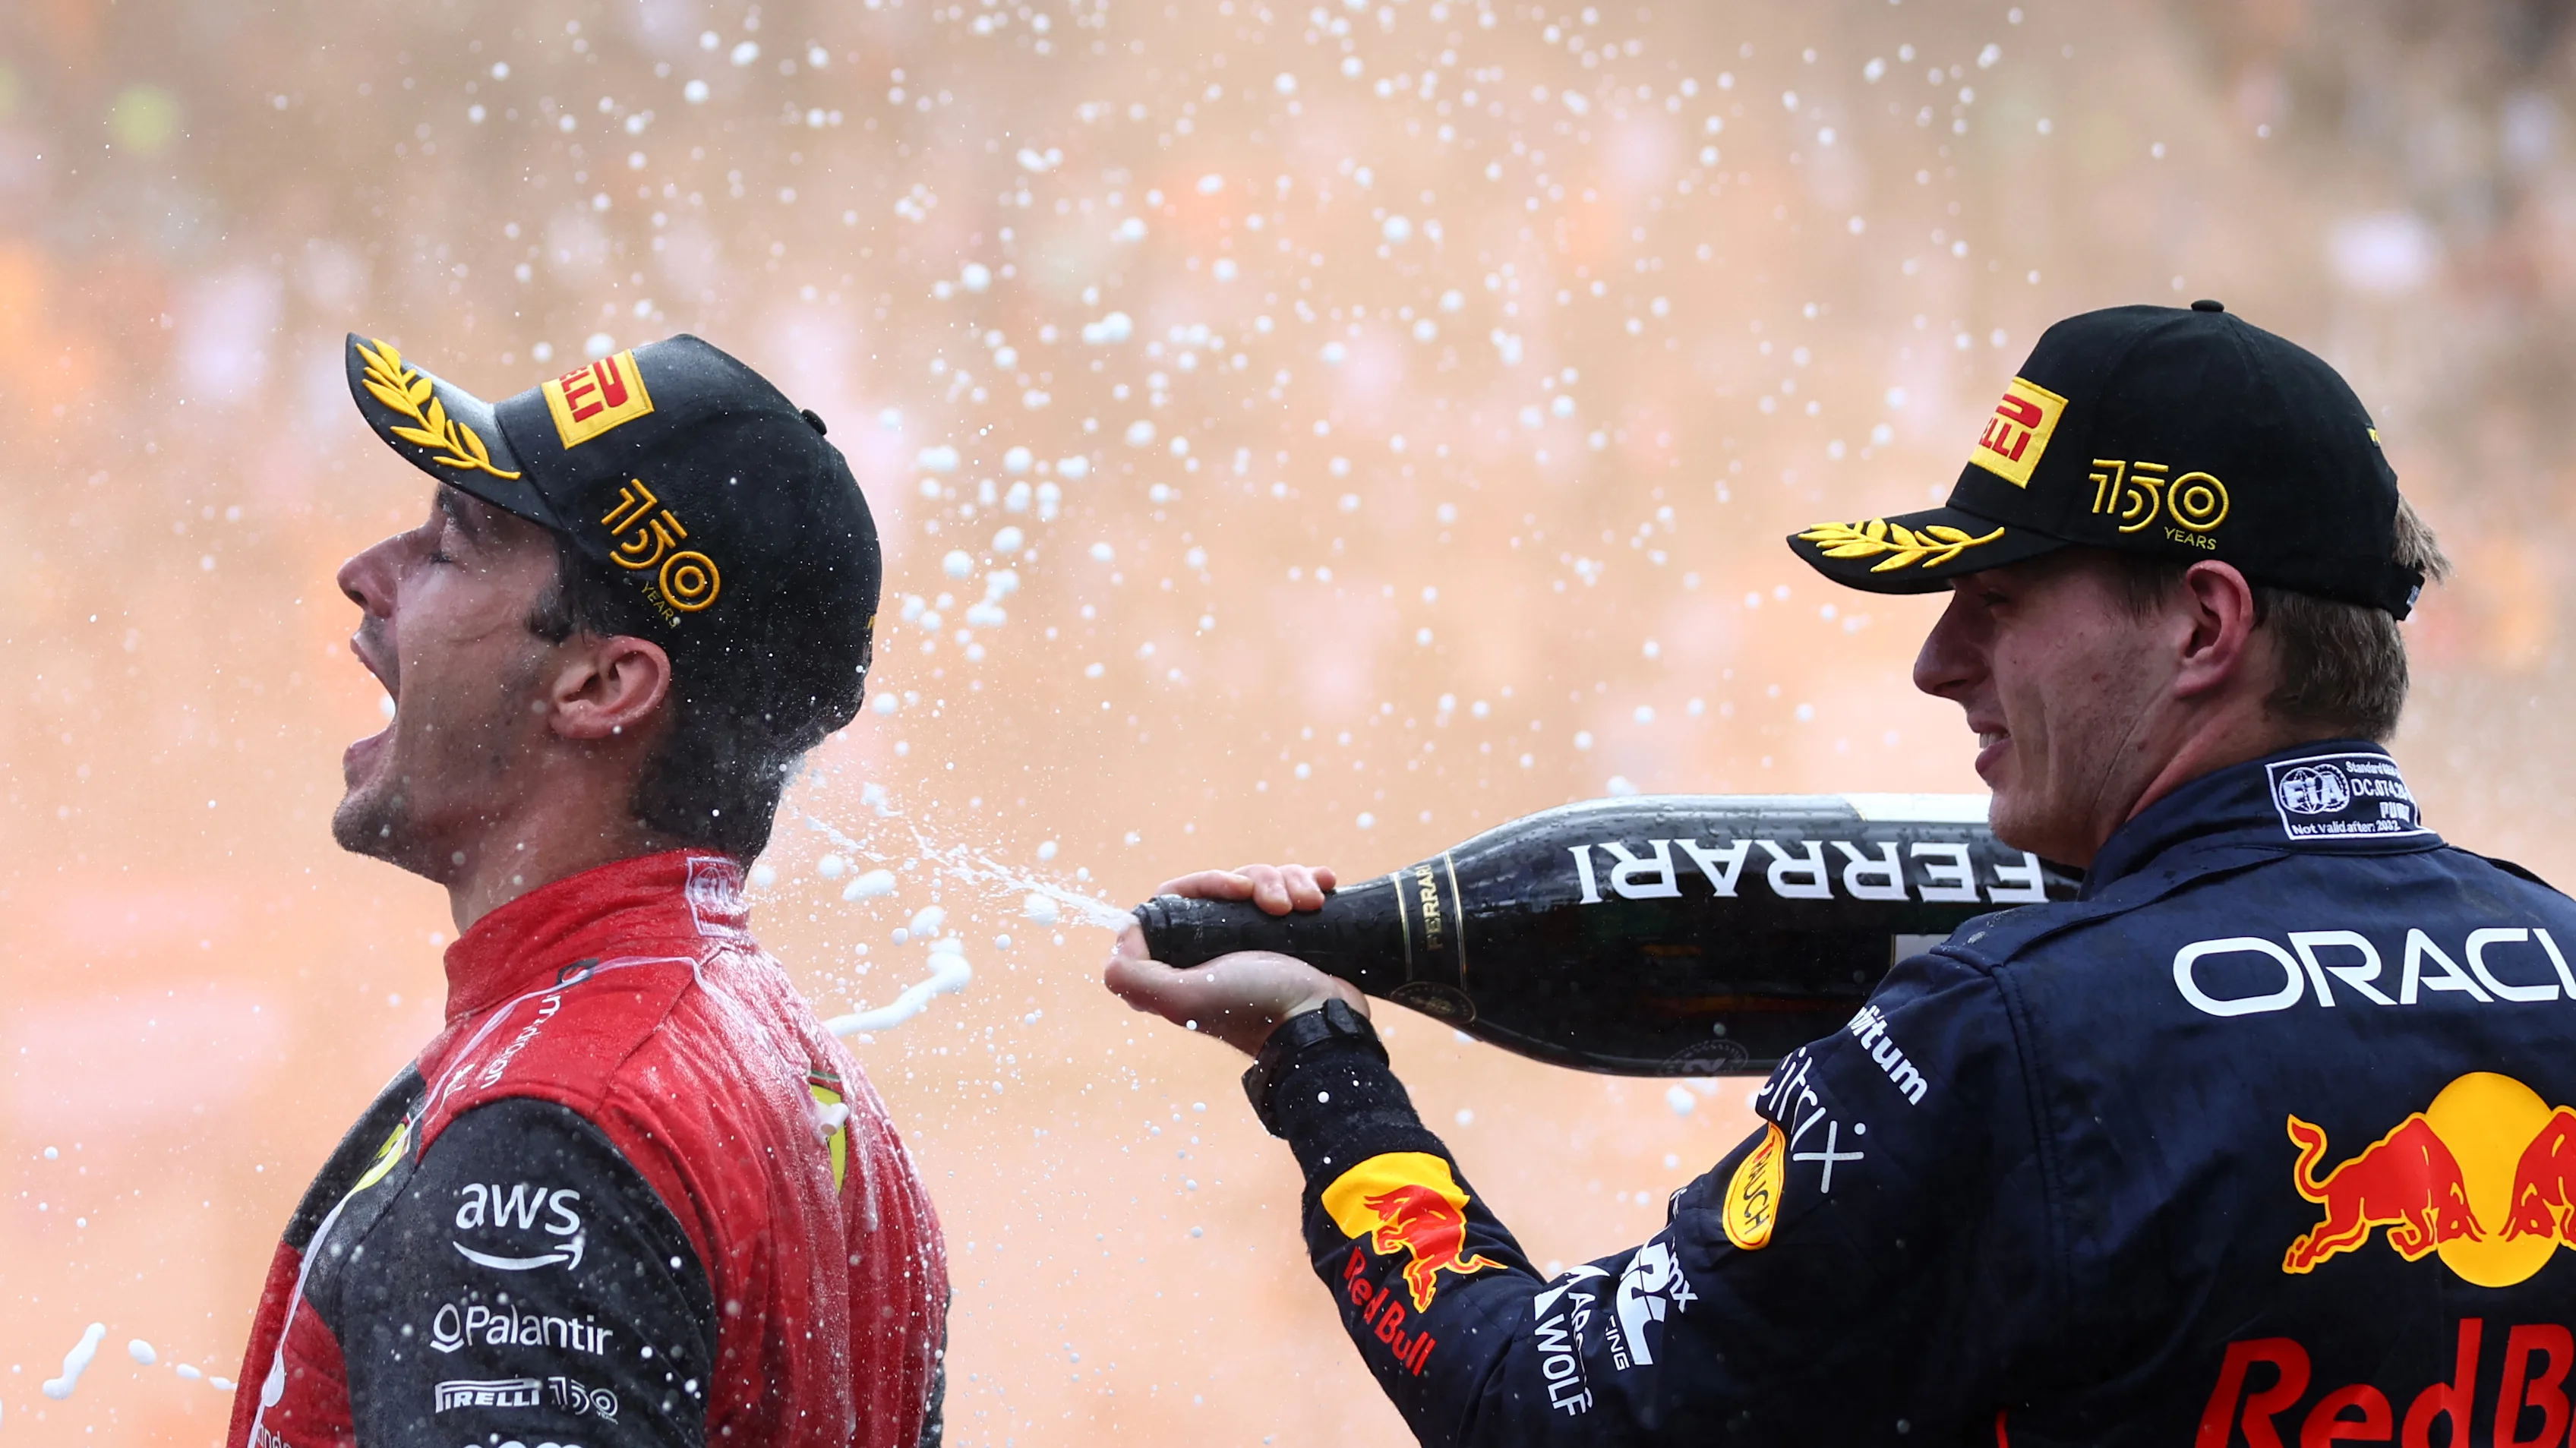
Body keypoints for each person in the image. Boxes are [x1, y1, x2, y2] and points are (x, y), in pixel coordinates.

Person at [1106, 301, 2576, 1443]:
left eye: (1995, 600)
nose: (1937, 662)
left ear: (2203, 626)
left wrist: (1320, 1060)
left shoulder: (1998, 1042)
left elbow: (1550, 1411)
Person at [226, 336, 948, 1448]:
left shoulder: (553, 1125)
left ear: (603, 684)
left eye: (450, 548)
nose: (368, 571)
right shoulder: (810, 1083)